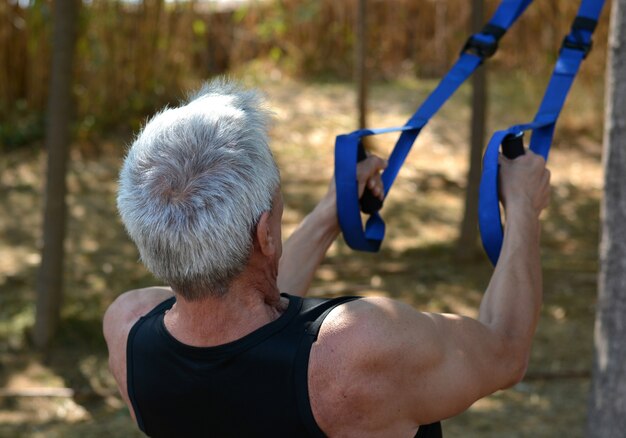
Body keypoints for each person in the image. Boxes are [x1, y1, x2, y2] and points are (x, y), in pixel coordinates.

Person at [103, 78, 551, 438]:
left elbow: (252, 330)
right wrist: (523, 207)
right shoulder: (360, 351)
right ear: (266, 235)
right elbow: (506, 350)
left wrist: (326, 219)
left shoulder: (128, 331)